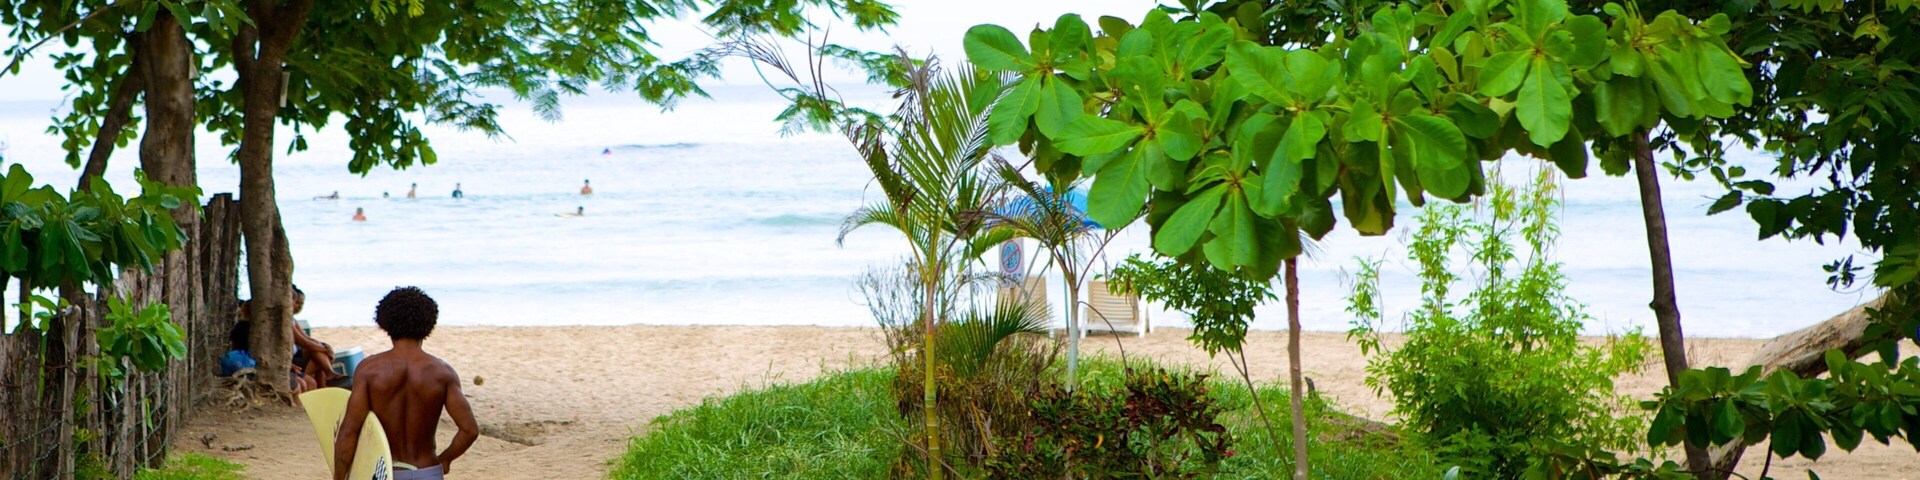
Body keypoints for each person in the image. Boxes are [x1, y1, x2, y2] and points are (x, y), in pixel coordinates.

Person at [333, 287, 477, 480]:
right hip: (428, 471)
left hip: (386, 472)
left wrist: (339, 477)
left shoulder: (369, 370)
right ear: (428, 324)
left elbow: (349, 431)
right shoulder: (443, 373)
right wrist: (445, 459)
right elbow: (469, 430)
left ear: (385, 323)